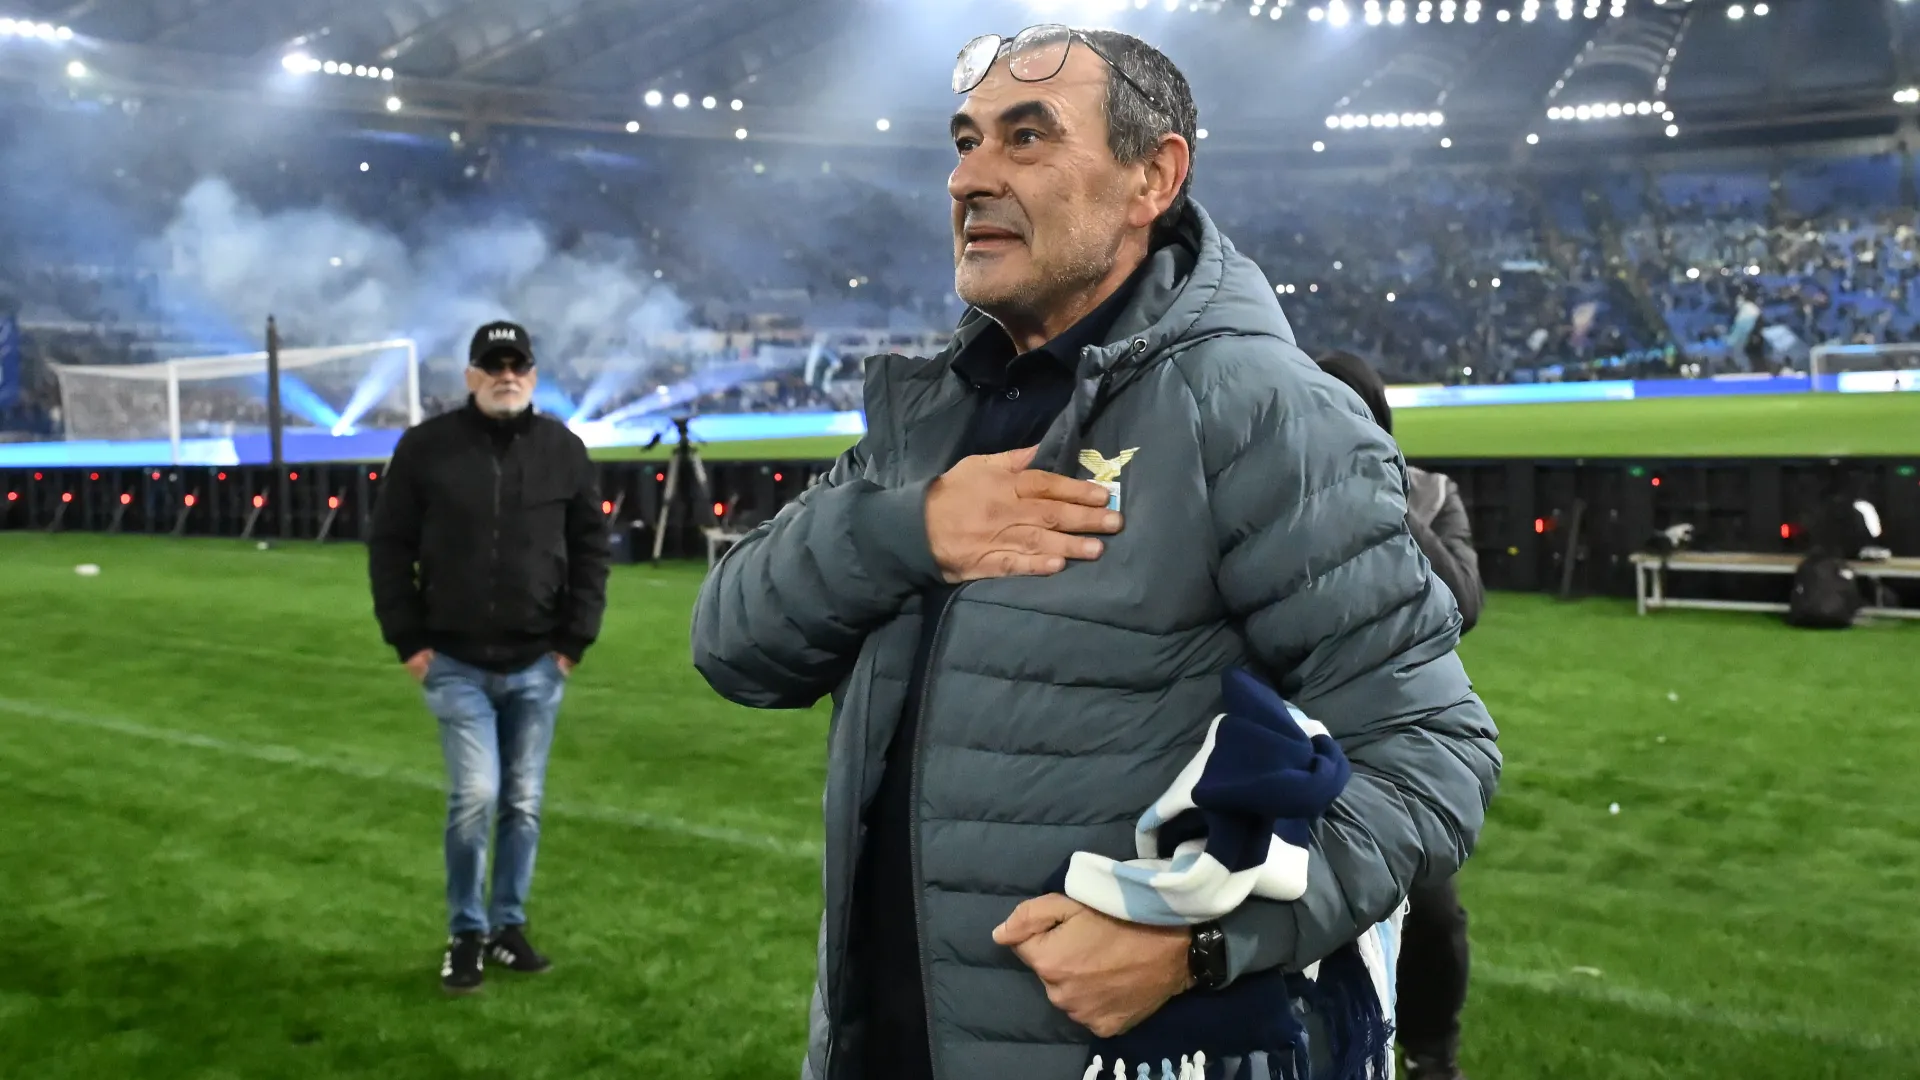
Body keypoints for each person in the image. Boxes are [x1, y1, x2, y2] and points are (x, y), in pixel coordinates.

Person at [691, 25, 1499, 1080]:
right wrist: (906, 528)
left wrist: (1200, 946)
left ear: (1152, 178)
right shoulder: (930, 417)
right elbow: (733, 646)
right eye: (966, 140)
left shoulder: (1260, 413)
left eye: (1026, 138)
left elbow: (1433, 749)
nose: (969, 178)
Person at [369, 320, 611, 995]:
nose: (507, 376)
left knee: (523, 803)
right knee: (476, 796)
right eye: (494, 365)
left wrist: (573, 642)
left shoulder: (563, 449)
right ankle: (466, 932)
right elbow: (389, 546)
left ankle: (508, 925)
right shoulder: (425, 449)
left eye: (517, 365)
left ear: (532, 374)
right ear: (471, 375)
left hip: (539, 662)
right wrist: (409, 641)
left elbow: (592, 548)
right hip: (453, 659)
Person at [1317, 349, 1482, 1080]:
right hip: (1304, 730)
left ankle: (1432, 1056)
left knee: (1432, 913)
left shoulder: (1432, 494)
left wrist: (1380, 487)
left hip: (1394, 739)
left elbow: (1463, 604)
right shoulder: (1280, 492)